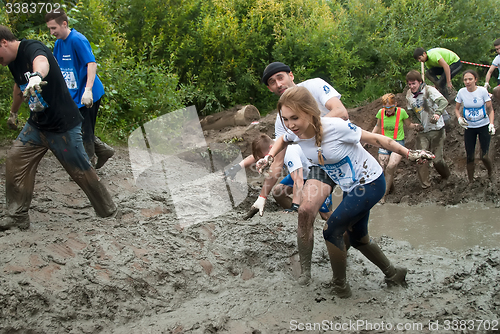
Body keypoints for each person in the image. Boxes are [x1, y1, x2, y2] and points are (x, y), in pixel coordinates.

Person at [256, 86, 434, 297]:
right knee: (359, 238)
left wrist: (409, 153)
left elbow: (378, 140)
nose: (289, 124)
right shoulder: (295, 133)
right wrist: (270, 156)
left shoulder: (336, 127)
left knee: (332, 230)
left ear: (310, 112)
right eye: (285, 119)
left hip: (370, 184)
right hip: (350, 186)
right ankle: (393, 273)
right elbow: (283, 139)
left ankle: (340, 286)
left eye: (294, 117)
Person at [0, 25, 118, 231]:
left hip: (63, 126)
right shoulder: (11, 61)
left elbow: (42, 62)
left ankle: (108, 210)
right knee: (15, 159)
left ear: (3, 43)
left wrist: (37, 75)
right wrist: (13, 112)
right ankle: (17, 215)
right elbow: (19, 87)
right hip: (37, 125)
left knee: (81, 170)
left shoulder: (32, 48)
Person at [225, 62, 348, 218]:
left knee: (346, 222)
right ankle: (306, 217)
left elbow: (341, 112)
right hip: (318, 166)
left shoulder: (314, 86)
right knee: (296, 203)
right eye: (272, 82)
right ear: (270, 88)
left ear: (291, 76)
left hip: (343, 155)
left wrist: (307, 130)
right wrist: (262, 196)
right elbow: (277, 161)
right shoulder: (281, 121)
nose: (278, 84)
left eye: (280, 78)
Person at [44, 9, 115, 169]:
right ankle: (103, 151)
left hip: (88, 94)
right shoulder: (58, 44)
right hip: (73, 95)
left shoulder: (77, 40)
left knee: (85, 130)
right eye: (49, 28)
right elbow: (58, 68)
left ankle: (88, 168)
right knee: (74, 128)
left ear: (64, 24)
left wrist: (88, 90)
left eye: (53, 28)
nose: (51, 32)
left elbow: (91, 63)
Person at [251, 133, 332, 220]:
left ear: (271, 148)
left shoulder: (288, 153)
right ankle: (298, 216)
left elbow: (298, 181)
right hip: (303, 174)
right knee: (278, 192)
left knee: (325, 215)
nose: (265, 159)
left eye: (265, 156)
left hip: (318, 175)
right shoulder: (276, 146)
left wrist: (295, 205)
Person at [371, 93, 422, 203]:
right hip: (384, 143)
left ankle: (383, 196)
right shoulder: (381, 113)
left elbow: (409, 125)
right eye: (385, 107)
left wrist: (416, 126)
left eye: (390, 107)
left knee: (391, 166)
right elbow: (378, 126)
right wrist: (369, 137)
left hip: (398, 143)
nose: (387, 110)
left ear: (395, 104)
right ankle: (390, 187)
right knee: (382, 167)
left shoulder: (401, 112)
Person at [405, 69, 451, 189]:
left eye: (414, 83)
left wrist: (437, 113)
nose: (412, 86)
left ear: (420, 82)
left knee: (437, 160)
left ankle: (447, 176)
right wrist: (416, 124)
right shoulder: (409, 95)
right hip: (423, 131)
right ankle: (425, 186)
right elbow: (412, 113)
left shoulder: (429, 90)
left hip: (437, 129)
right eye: (409, 84)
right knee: (421, 158)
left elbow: (443, 102)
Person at [454, 70, 495, 182]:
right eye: (465, 79)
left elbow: (490, 109)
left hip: (483, 125)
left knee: (484, 156)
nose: (467, 82)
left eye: (470, 79)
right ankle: (471, 182)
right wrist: (459, 118)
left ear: (475, 80)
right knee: (470, 156)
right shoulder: (462, 92)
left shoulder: (482, 91)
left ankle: (490, 173)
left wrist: (491, 124)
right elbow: (456, 109)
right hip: (469, 127)